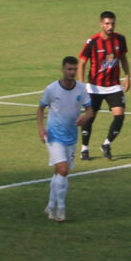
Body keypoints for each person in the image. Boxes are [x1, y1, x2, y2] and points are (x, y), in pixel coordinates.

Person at [78, 9, 131, 160]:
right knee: (89, 118)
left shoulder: (120, 39)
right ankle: (84, 149)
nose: (110, 27)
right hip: (94, 87)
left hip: (113, 86)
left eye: (113, 24)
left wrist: (127, 76)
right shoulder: (92, 42)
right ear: (101, 24)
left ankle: (107, 144)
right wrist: (81, 85)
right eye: (107, 24)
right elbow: (82, 63)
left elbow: (123, 58)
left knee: (120, 116)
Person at [37, 55, 86, 221]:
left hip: (71, 137)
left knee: (59, 172)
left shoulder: (81, 88)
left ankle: (50, 206)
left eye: (74, 69)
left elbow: (90, 108)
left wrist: (86, 116)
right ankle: (61, 210)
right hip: (53, 136)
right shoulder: (52, 89)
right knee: (63, 170)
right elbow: (40, 108)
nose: (72, 72)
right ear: (62, 70)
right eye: (69, 69)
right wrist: (40, 128)